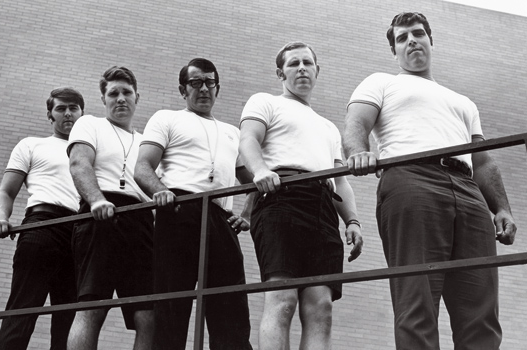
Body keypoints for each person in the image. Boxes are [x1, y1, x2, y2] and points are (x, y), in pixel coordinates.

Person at [343, 12, 517, 350]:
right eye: (402, 37)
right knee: (417, 301)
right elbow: (356, 125)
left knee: (480, 306)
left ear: (430, 40)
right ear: (394, 49)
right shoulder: (381, 82)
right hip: (411, 179)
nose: (411, 41)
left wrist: (502, 208)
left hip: (468, 190)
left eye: (418, 33)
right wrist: (357, 152)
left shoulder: (464, 102)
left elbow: (482, 160)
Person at [239, 42, 364, 350]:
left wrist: (352, 220)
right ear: (281, 72)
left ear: (317, 70)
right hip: (282, 196)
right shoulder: (265, 102)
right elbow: (248, 140)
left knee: (321, 307)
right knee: (282, 299)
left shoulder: (328, 128)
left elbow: (340, 180)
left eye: (308, 62)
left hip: (322, 205)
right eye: (294, 63)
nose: (302, 68)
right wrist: (259, 171)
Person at [134, 58, 253, 350]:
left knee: (230, 306)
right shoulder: (167, 118)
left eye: (209, 82)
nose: (203, 89)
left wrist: (247, 213)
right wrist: (160, 191)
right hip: (179, 209)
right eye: (195, 82)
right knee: (172, 303)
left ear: (218, 88)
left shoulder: (232, 133)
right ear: (182, 89)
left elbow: (254, 181)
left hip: (221, 217)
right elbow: (142, 167)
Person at [0, 87, 84, 350]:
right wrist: (1, 218)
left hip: (80, 233)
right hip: (42, 226)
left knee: (69, 324)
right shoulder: (32, 144)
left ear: (82, 113)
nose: (68, 114)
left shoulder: (90, 152)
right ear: (49, 115)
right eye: (61, 108)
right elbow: (6, 192)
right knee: (21, 313)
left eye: (73, 108)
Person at [67, 66, 154, 350]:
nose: (120, 98)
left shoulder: (146, 142)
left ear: (136, 97)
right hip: (100, 214)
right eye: (113, 93)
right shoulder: (90, 124)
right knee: (92, 307)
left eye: (126, 92)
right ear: (103, 98)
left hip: (140, 220)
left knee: (148, 314)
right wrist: (95, 200)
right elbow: (80, 163)